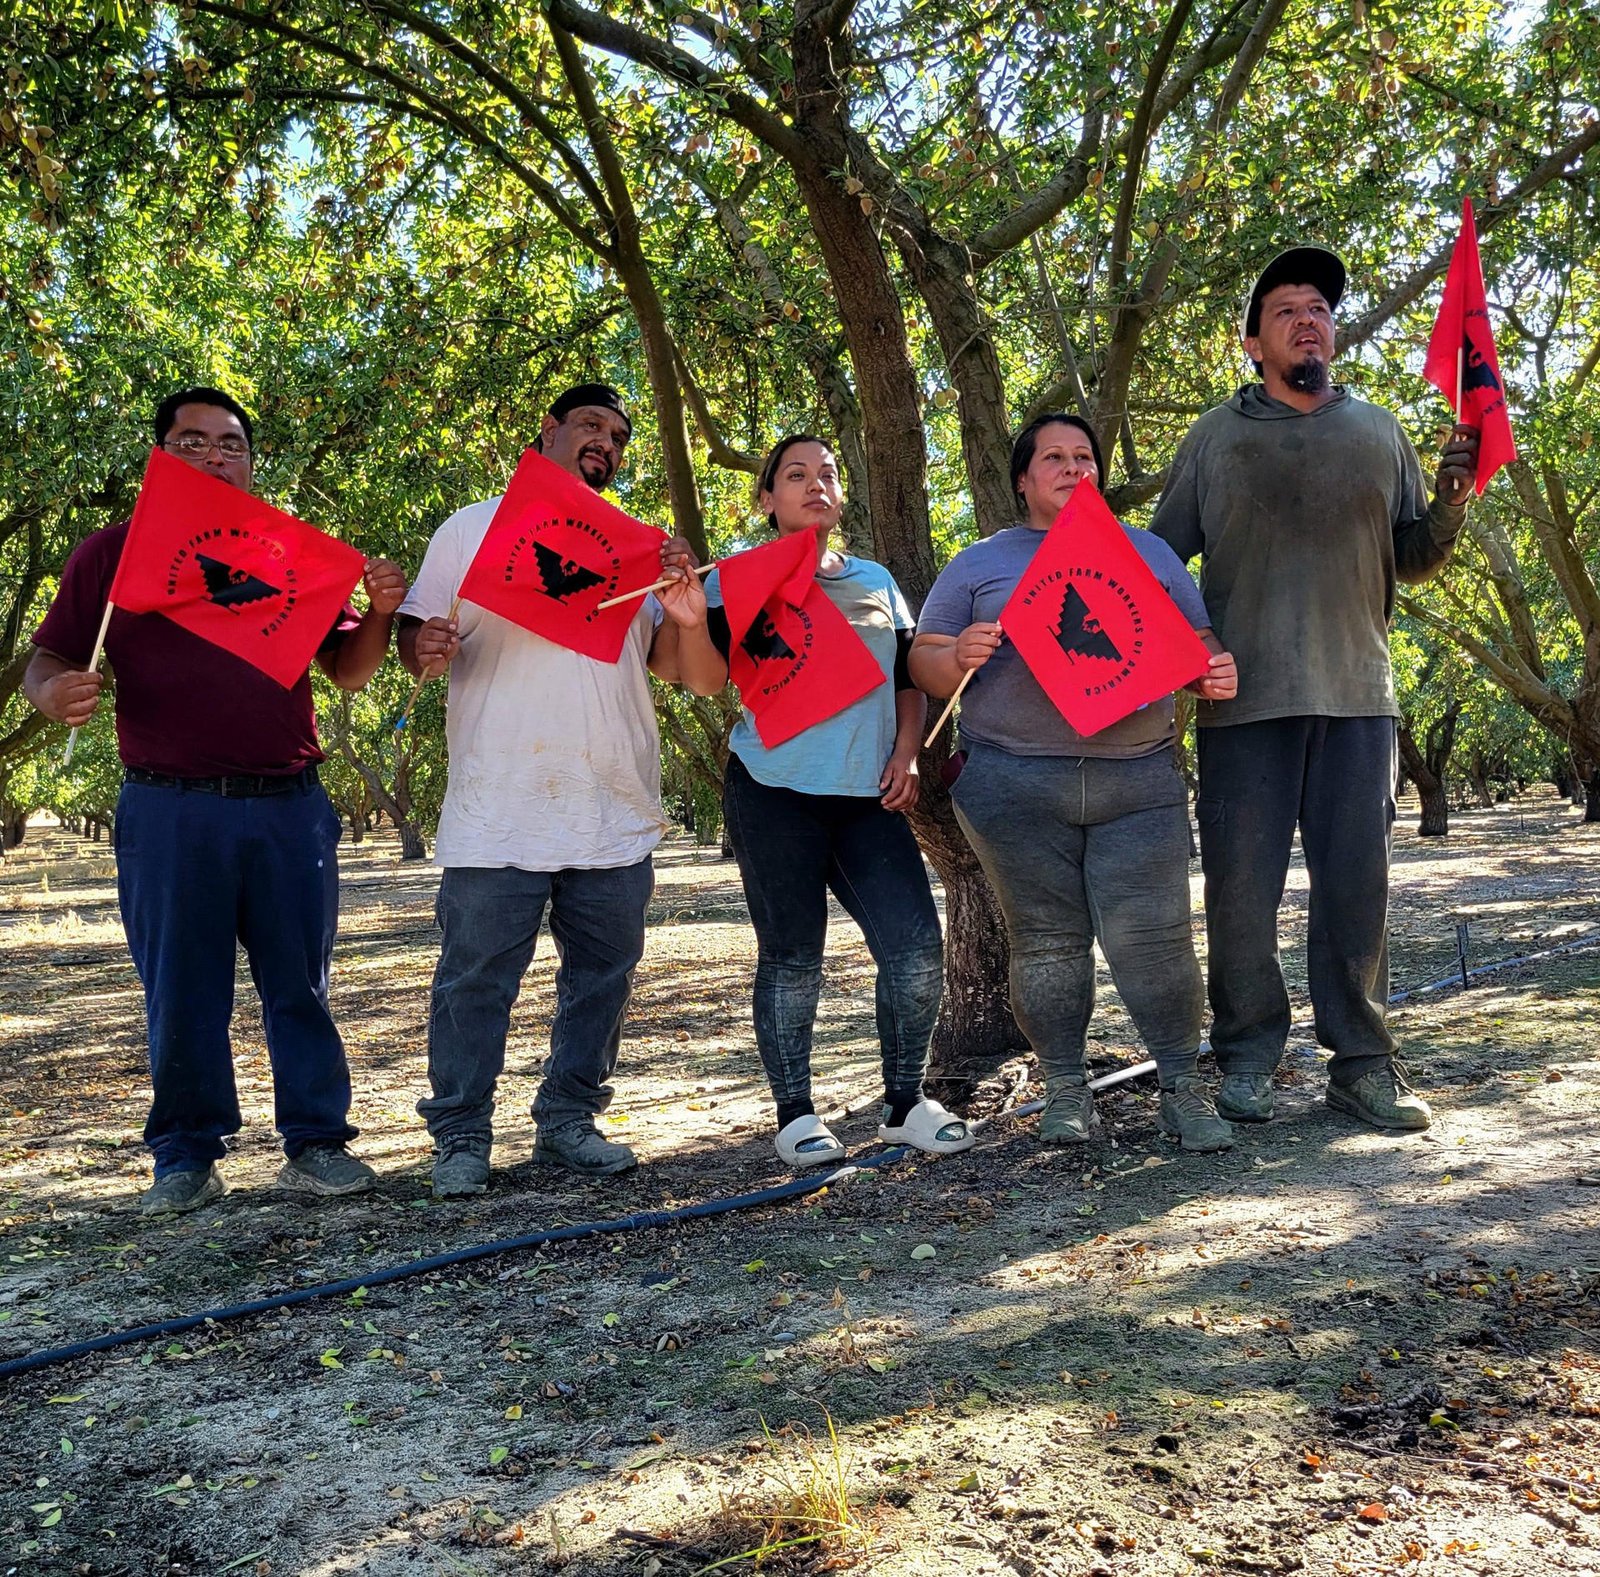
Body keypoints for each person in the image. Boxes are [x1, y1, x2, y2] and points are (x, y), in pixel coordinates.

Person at [25, 386, 408, 1214]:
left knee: (300, 984)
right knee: (182, 990)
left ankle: (316, 1140)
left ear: (250, 462)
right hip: (170, 808)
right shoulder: (113, 553)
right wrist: (53, 693)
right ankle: (185, 1156)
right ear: (159, 456)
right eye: (192, 442)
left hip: (288, 805)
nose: (213, 456)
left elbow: (348, 668)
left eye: (230, 444)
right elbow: (46, 658)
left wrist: (380, 613)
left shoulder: (286, 551)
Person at [1150, 245, 1481, 1132]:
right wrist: (1196, 646)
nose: (1308, 321)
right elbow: (1158, 563)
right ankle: (1247, 1057)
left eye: (1320, 310)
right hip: (1241, 704)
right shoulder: (1214, 437)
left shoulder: (1378, 432)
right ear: (1253, 342)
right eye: (1287, 310)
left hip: (1359, 696)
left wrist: (1450, 503)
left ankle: (1363, 1065)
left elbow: (1411, 558)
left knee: (1356, 892)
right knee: (1240, 896)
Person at [399, 383, 714, 1197]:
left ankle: (569, 1119)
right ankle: (460, 1134)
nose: (606, 441)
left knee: (603, 978)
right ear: (548, 430)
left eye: (619, 435)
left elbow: (683, 672)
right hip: (497, 805)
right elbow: (414, 632)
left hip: (612, 804)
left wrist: (684, 610)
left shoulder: (641, 549)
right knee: (475, 980)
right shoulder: (472, 526)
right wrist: (421, 643)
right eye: (590, 425)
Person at [911, 414, 1239, 1152]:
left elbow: (1198, 643)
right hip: (1014, 787)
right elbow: (925, 661)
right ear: (1022, 479)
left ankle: (1183, 1089)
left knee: (1156, 942)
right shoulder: (979, 563)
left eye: (1084, 457)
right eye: (1053, 458)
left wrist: (1211, 670)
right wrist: (955, 653)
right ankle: (1065, 1090)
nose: (1071, 468)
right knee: (1047, 943)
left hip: (1139, 782)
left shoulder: (1147, 552)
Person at [669, 434, 970, 1167]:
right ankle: (796, 1115)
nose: (815, 485)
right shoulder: (731, 579)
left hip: (868, 798)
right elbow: (706, 682)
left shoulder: (876, 579)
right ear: (767, 499)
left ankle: (905, 1104)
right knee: (793, 958)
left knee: (915, 950)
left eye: (828, 474)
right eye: (796, 475)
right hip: (773, 792)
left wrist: (907, 754)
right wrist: (689, 620)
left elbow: (907, 678)